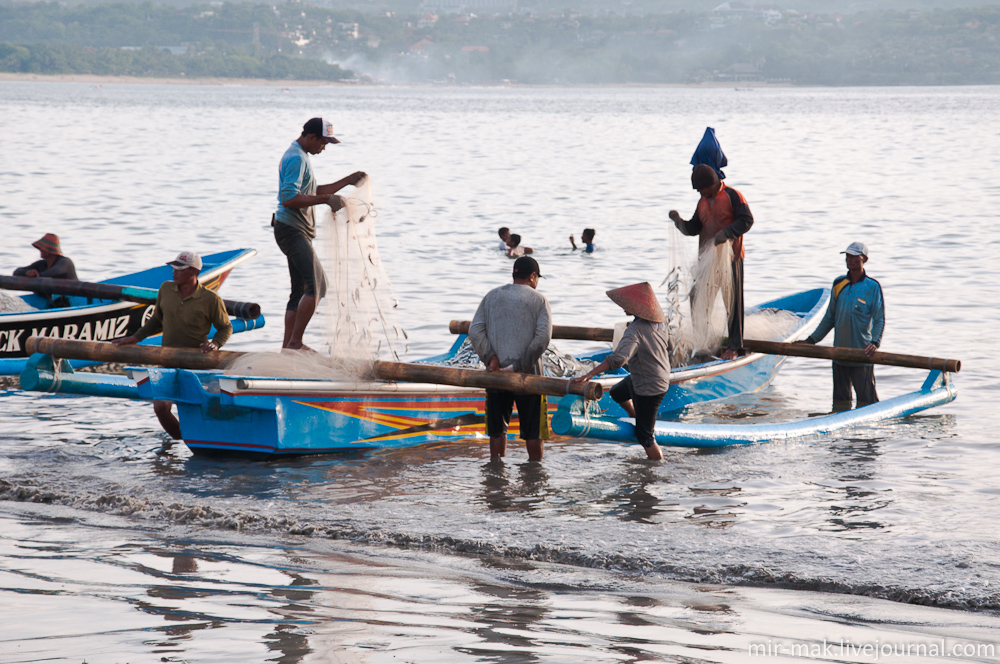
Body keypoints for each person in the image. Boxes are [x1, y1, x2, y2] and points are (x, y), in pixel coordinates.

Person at [113, 251, 232, 441]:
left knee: (206, 406)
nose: (174, 272)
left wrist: (215, 343)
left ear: (194, 271)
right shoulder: (166, 289)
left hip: (197, 362)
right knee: (160, 407)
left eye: (180, 269)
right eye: (174, 267)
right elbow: (156, 320)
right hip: (168, 360)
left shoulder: (210, 299)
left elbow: (225, 327)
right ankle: (184, 439)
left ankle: (209, 439)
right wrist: (136, 337)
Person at [274, 117, 366, 350]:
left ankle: (287, 347)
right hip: (292, 231)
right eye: (323, 143)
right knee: (319, 285)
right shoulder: (296, 158)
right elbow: (289, 198)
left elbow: (311, 191)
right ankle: (295, 342)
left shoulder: (299, 155)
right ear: (311, 137)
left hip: (293, 230)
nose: (323, 148)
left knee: (300, 290)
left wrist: (346, 181)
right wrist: (326, 200)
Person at [571, 282, 670, 460]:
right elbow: (667, 346)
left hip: (650, 387)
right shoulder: (661, 322)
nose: (623, 307)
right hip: (655, 377)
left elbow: (618, 359)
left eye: (627, 305)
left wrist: (590, 374)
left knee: (645, 437)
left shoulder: (635, 331)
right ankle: (635, 415)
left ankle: (656, 468)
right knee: (617, 393)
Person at [468, 256, 553, 461]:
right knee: (534, 431)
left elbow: (475, 331)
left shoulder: (492, 296)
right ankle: (534, 479)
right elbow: (543, 338)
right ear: (533, 277)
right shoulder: (539, 300)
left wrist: (491, 358)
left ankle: (496, 477)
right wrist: (520, 365)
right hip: (529, 377)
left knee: (498, 430)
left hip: (496, 376)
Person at [668, 163, 753, 361]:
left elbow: (747, 220)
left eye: (700, 188)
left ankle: (735, 346)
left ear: (711, 183)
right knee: (696, 297)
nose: (699, 192)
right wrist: (678, 221)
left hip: (730, 258)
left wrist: (727, 232)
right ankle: (702, 341)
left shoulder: (733, 196)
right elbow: (694, 228)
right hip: (708, 261)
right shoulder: (702, 202)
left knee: (732, 301)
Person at [797, 242, 885, 411]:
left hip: (862, 355)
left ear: (864, 259)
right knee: (840, 404)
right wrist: (811, 341)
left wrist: (874, 343)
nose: (849, 260)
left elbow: (879, 318)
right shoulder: (838, 284)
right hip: (839, 356)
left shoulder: (872, 287)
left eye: (854, 256)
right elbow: (830, 317)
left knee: (868, 403)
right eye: (847, 256)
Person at [13, 233, 78, 281]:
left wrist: (35, 275)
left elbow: (53, 273)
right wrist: (27, 273)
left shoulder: (65, 262)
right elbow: (16, 272)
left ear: (49, 251)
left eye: (42, 248)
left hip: (73, 297)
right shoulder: (41, 264)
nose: (40, 250)